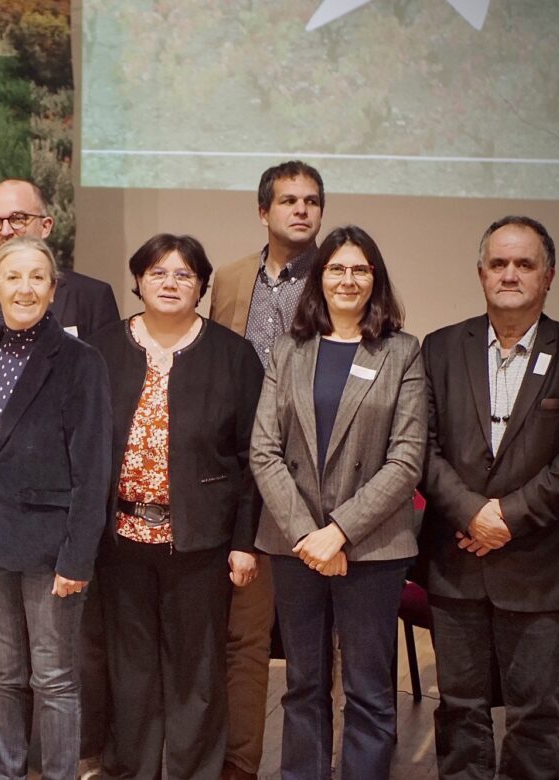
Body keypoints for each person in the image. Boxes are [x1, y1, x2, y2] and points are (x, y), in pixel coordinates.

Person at [418, 216, 559, 780]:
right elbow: (421, 447)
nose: (510, 274)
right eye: (499, 264)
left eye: (524, 264)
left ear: (548, 275)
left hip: (541, 563)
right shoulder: (439, 348)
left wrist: (504, 518)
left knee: (534, 713)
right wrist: (470, 513)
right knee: (458, 707)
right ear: (481, 273)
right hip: (456, 559)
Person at [0, 178, 118, 779]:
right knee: (7, 674)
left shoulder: (80, 361)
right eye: (11, 278)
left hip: (52, 550)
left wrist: (77, 558)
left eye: (36, 278)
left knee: (56, 675)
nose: (24, 288)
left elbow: (95, 469)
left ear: (52, 289)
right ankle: (9, 772)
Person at [251, 225, 425, 780]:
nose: (347, 279)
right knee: (303, 684)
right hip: (293, 544)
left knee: (370, 690)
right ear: (318, 278)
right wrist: (307, 534)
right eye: (336, 269)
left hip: (371, 547)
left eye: (359, 269)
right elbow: (263, 449)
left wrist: (339, 532)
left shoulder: (402, 352)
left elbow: (405, 460)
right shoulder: (288, 350)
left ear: (375, 279)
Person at [87, 234, 262, 779]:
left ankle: (193, 772)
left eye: (184, 275)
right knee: (131, 666)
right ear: (137, 281)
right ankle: (134, 770)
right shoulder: (100, 349)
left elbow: (253, 458)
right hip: (119, 539)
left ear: (202, 287)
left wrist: (242, 541)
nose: (169, 283)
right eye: (158, 272)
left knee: (196, 668)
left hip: (200, 540)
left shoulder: (232, 355)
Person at [209, 160, 324, 780]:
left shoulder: (342, 277)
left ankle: (310, 766)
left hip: (315, 485)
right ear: (264, 211)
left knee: (311, 649)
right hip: (239, 480)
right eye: (288, 200)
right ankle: (238, 764)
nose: (301, 210)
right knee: (244, 639)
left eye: (311, 201)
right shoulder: (227, 278)